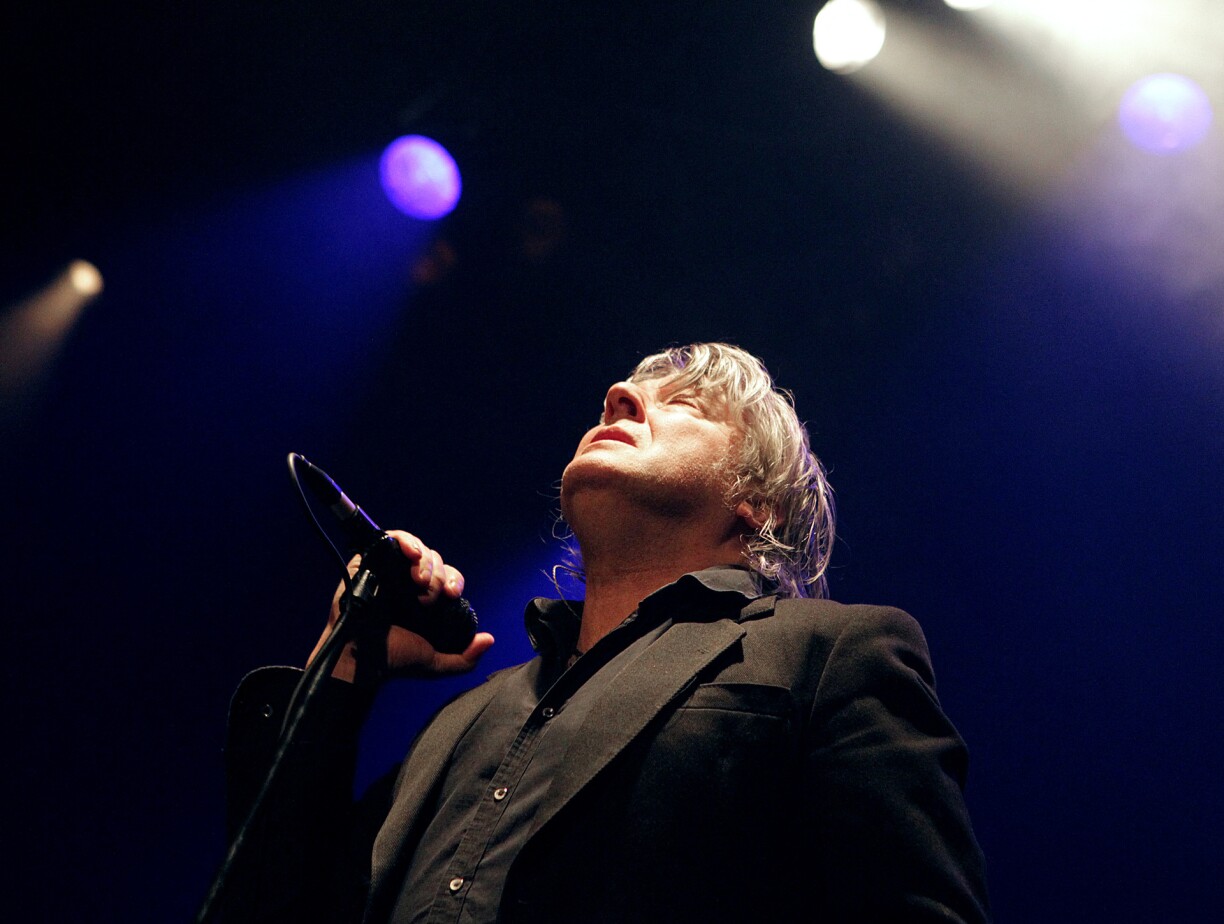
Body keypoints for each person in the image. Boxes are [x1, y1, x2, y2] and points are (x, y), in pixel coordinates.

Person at [224, 342, 990, 923]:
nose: (619, 397)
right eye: (621, 394)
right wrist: (345, 664)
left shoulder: (831, 655)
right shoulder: (467, 717)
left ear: (756, 500)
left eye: (685, 401)